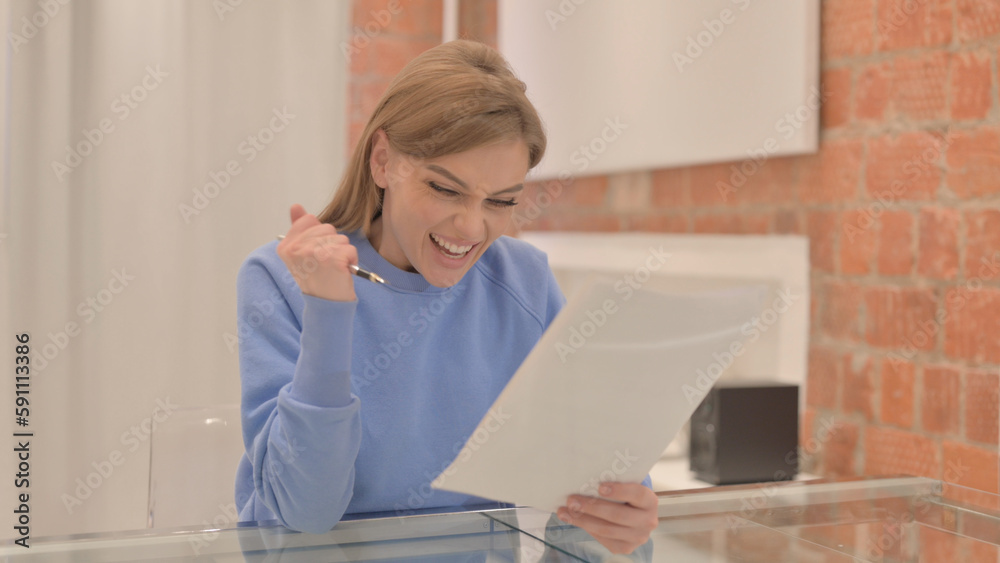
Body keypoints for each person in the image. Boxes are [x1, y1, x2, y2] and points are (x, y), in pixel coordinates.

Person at [234, 39, 658, 556]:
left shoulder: (524, 282)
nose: (472, 227)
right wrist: (329, 312)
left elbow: (594, 475)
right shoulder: (281, 278)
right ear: (384, 161)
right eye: (446, 189)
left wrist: (623, 522)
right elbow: (306, 513)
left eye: (501, 201)